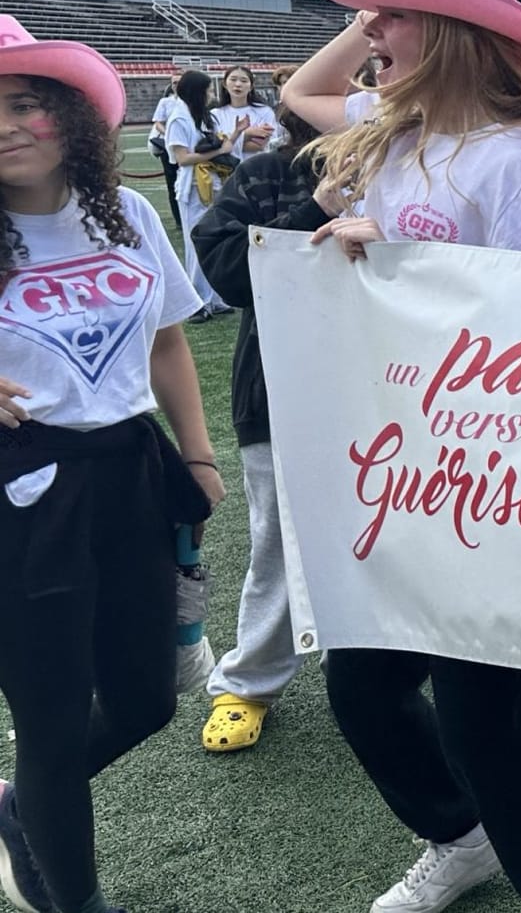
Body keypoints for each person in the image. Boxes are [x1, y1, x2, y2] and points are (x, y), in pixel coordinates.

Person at [283, 0, 521, 913]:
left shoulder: (513, 162)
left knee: (503, 730)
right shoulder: (392, 140)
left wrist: (391, 264)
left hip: (495, 493)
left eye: (390, 12)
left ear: (448, 30)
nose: (367, 29)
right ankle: (459, 836)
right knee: (361, 687)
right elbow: (310, 95)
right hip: (405, 477)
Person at [0, 15, 226, 913]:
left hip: (132, 473)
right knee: (51, 725)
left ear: (70, 114)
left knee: (146, 704)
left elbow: (170, 339)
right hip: (24, 495)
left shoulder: (124, 212)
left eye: (26, 103)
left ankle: (25, 811)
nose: (8, 125)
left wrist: (198, 453)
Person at [190, 71, 322, 755]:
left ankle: (392, 661)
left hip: (403, 394)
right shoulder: (271, 173)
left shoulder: (417, 173)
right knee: (277, 539)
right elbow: (230, 273)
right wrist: (319, 208)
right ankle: (250, 678)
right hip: (280, 389)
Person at [162, 68, 244, 320]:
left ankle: (214, 298)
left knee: (215, 240)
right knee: (197, 241)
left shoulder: (203, 117)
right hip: (194, 188)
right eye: (208, 90)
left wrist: (235, 135)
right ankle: (198, 301)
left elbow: (217, 144)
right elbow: (182, 158)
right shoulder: (179, 118)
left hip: (214, 183)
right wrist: (217, 153)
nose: (211, 94)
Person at [147, 74, 185, 235]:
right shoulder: (166, 102)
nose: (176, 85)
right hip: (169, 147)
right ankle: (179, 220)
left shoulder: (192, 101)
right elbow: (158, 122)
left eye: (179, 82)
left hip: (188, 147)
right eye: (174, 83)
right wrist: (171, 133)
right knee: (172, 183)